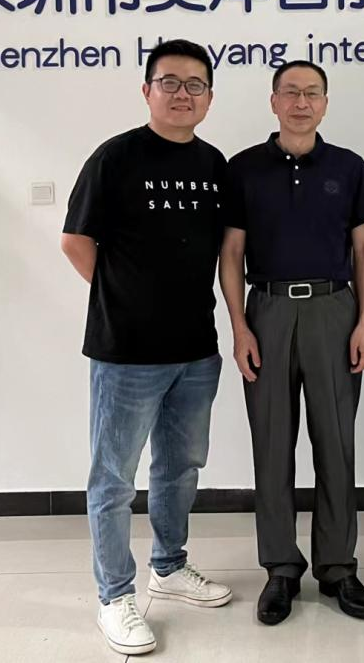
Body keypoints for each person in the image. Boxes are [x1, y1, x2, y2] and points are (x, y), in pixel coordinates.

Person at [61, 39, 232, 656]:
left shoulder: (214, 164)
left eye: (195, 84)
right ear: (147, 90)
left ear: (209, 97)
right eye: (170, 82)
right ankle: (114, 596)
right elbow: (75, 241)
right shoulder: (116, 157)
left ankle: (170, 565)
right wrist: (123, 297)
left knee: (180, 468)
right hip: (125, 351)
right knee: (113, 478)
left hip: (196, 349)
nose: (183, 94)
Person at [218, 60, 364, 625]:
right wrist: (239, 326)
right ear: (274, 101)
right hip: (266, 310)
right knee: (271, 442)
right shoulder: (244, 168)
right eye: (291, 92)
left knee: (336, 441)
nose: (301, 103)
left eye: (312, 93)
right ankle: (281, 568)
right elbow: (231, 253)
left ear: (325, 103)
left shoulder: (349, 167)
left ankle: (337, 567)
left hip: (335, 310)